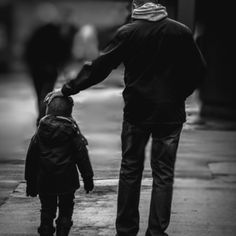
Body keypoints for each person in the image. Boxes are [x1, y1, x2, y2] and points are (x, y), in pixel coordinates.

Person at [46, 0, 206, 235]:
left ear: (135, 5)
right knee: (164, 174)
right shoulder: (180, 31)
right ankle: (156, 231)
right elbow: (199, 69)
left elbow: (100, 67)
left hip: (137, 112)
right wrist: (179, 94)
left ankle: (126, 230)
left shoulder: (129, 32)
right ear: (160, 4)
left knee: (130, 170)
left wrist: (68, 89)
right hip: (170, 114)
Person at [25, 96, 94, 236]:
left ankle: (46, 230)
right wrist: (88, 178)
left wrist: (30, 183)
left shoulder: (39, 134)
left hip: (45, 180)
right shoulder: (73, 133)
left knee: (47, 209)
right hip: (67, 180)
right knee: (66, 208)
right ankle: (63, 231)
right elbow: (82, 157)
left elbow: (31, 160)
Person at [24, 2, 77, 125]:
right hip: (51, 68)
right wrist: (61, 65)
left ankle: (41, 116)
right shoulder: (56, 32)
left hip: (37, 69)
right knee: (47, 92)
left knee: (39, 93)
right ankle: (45, 117)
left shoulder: (36, 33)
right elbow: (63, 50)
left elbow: (28, 51)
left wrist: (30, 65)